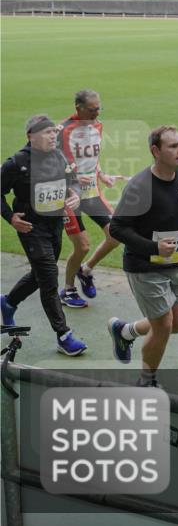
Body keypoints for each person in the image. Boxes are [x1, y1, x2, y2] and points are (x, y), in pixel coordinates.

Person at [106, 126, 178, 387]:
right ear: (155, 151)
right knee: (162, 326)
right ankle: (146, 380)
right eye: (173, 146)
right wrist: (153, 248)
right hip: (144, 267)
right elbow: (117, 228)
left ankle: (125, 331)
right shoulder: (140, 186)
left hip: (174, 264)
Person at [0, 115, 87, 355]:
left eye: (53, 132)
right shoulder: (16, 163)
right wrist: (10, 218)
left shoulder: (58, 156)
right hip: (30, 228)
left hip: (54, 225)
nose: (53, 136)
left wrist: (75, 194)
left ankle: (8, 302)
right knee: (49, 278)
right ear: (31, 136)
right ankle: (63, 335)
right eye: (47, 132)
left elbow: (74, 181)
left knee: (40, 275)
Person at [57, 89, 120, 308]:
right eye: (92, 110)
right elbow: (56, 162)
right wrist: (74, 177)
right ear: (79, 108)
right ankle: (67, 290)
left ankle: (86, 270)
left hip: (92, 191)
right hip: (69, 195)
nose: (97, 114)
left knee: (116, 234)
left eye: (99, 108)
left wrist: (101, 174)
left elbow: (92, 157)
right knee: (82, 246)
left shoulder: (97, 126)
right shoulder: (64, 131)